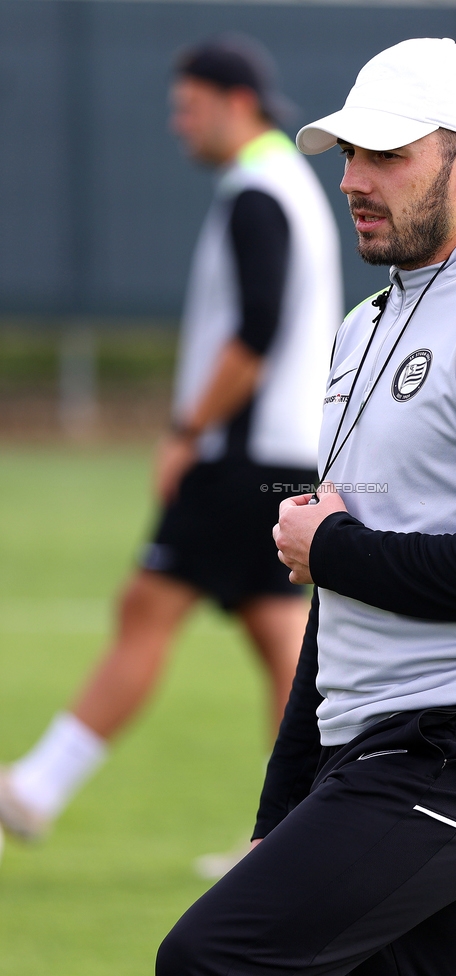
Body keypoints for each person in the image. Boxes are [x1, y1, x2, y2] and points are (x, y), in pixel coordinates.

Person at [156, 37, 456, 976]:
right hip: (372, 747)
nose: (355, 179)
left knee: (206, 959)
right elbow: (339, 598)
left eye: (389, 155)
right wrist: (279, 815)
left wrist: (339, 547)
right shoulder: (366, 326)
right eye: (351, 153)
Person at [0, 35, 342, 842]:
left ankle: (35, 789)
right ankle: (298, 833)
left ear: (236, 103)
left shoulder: (259, 188)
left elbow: (256, 329)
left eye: (188, 107)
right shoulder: (278, 185)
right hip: (276, 451)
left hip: (241, 453)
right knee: (276, 634)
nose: (177, 123)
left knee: (152, 605)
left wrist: (187, 430)